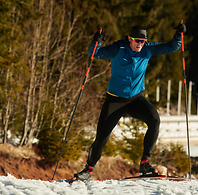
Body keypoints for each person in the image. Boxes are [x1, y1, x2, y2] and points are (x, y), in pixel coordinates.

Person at [74, 22, 187, 181]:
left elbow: (171, 47)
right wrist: (96, 42)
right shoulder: (117, 48)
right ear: (129, 39)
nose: (140, 44)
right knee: (102, 137)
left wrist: (178, 35)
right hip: (115, 100)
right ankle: (88, 169)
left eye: (142, 41)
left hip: (135, 99)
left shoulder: (147, 48)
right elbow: (95, 53)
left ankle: (145, 164)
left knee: (154, 119)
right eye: (137, 40)